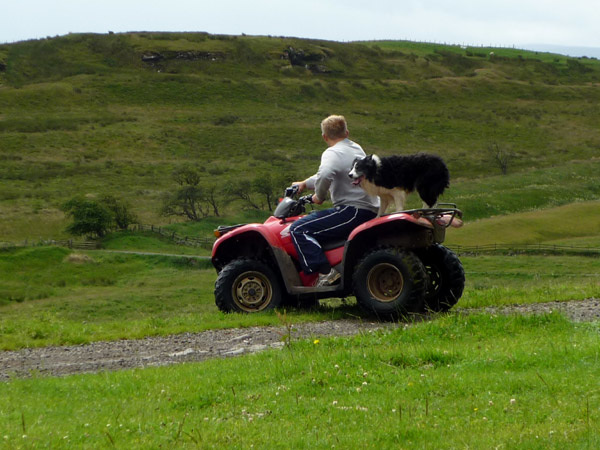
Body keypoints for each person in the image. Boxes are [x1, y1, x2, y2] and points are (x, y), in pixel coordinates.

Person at [290, 115, 379, 286]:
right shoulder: (355, 148)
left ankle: (326, 272)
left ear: (324, 137)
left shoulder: (332, 152)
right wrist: (304, 183)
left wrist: (318, 196)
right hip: (369, 208)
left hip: (353, 210)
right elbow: (331, 172)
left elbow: (326, 173)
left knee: (298, 229)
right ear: (347, 132)